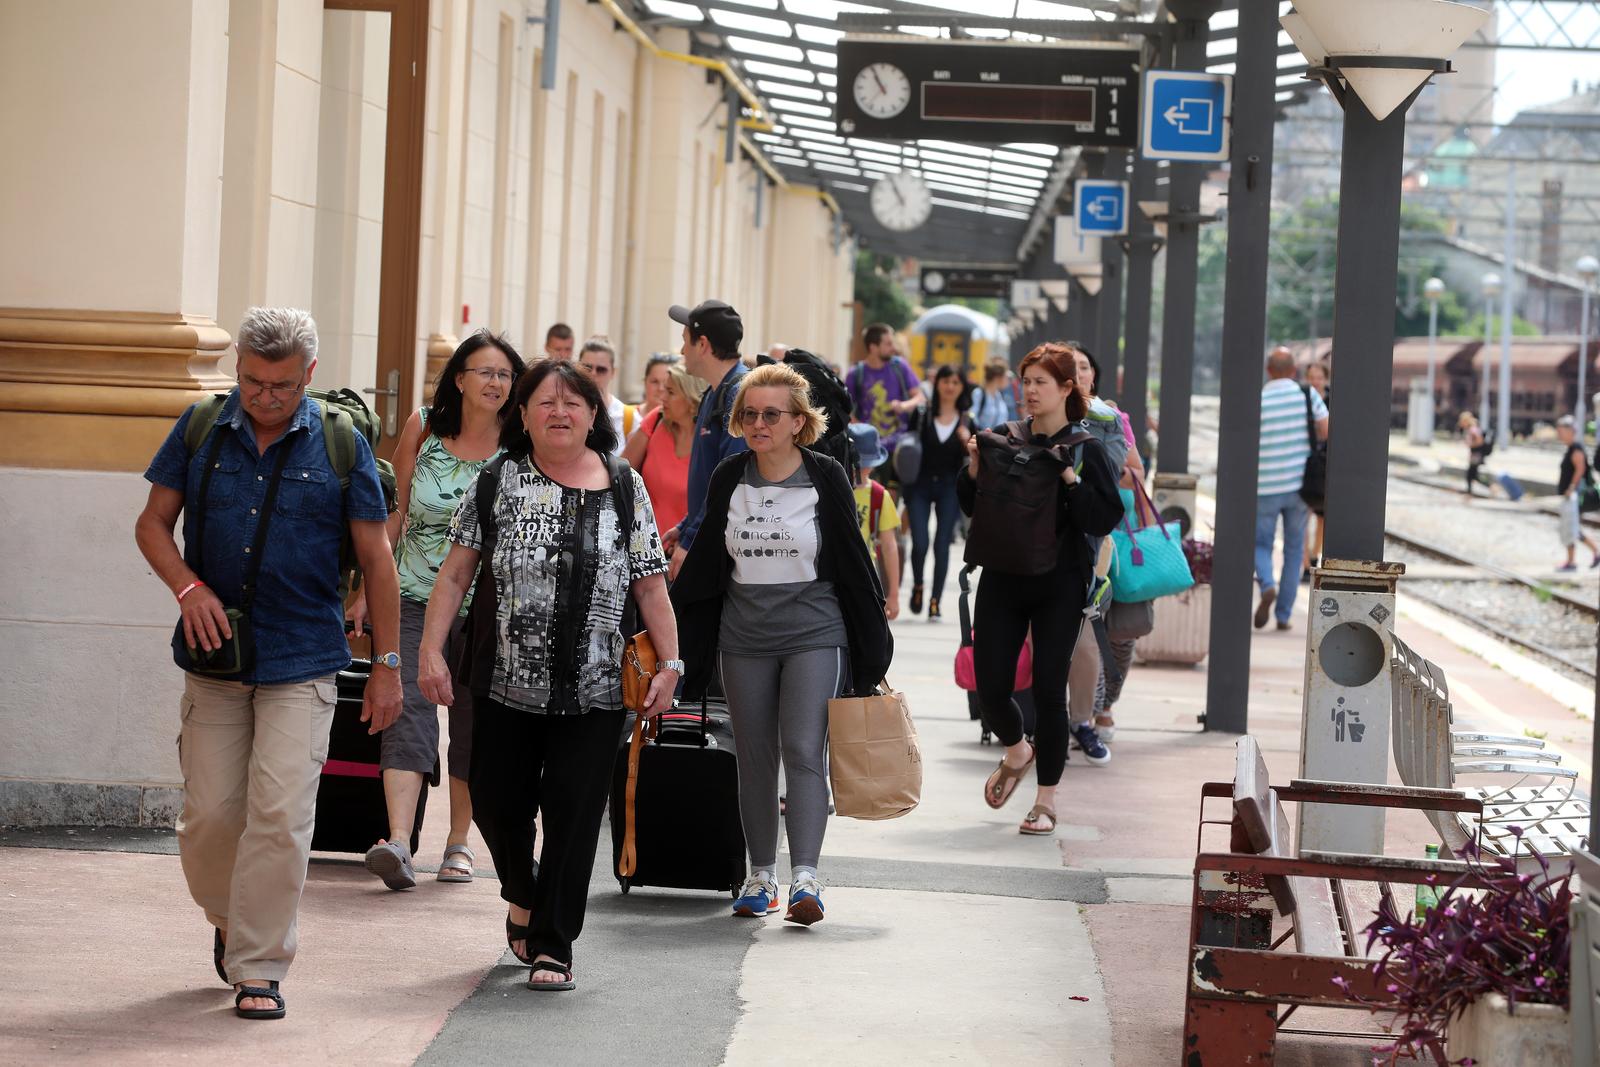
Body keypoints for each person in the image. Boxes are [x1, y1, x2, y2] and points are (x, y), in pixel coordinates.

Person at [135, 307, 401, 1020]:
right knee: (210, 817)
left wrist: (388, 664)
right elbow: (152, 523)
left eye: (282, 385)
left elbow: (377, 559)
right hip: (215, 658)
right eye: (253, 381)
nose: (265, 397)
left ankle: (258, 964)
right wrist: (187, 587)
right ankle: (231, 917)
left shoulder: (339, 443)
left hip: (305, 657)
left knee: (281, 815)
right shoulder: (201, 428)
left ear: (308, 376)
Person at [417, 359, 679, 992]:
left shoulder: (624, 486)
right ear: (524, 415)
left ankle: (553, 945)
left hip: (595, 689)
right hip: (503, 682)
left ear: (594, 414)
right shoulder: (498, 479)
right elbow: (454, 574)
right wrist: (429, 651)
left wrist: (672, 663)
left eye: (573, 403)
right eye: (544, 402)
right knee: (497, 803)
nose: (559, 412)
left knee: (574, 812)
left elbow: (648, 581)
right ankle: (522, 889)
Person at [671, 363, 892, 926]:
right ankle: (761, 875)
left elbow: (851, 558)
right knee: (754, 757)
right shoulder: (729, 476)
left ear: (800, 421)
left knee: (801, 749)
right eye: (749, 413)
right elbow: (709, 561)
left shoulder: (824, 476)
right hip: (743, 636)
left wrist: (872, 633)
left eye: (772, 414)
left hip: (816, 633)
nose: (759, 423)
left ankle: (807, 880)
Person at [348, 329, 525, 891]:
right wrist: (364, 589)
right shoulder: (423, 427)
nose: (496, 383)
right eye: (485, 372)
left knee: (473, 725)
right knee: (404, 708)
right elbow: (392, 515)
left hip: (489, 608)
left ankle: (458, 844)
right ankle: (398, 842)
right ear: (459, 379)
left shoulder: (521, 443)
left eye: (505, 374)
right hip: (412, 595)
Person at [960, 343, 1122, 837]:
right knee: (990, 687)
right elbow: (971, 508)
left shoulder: (1086, 448)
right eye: (1025, 381)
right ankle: (1017, 750)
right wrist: (972, 469)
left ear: (1067, 389)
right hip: (1003, 576)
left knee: (1050, 691)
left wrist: (1070, 478)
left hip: (1060, 581)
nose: (1029, 391)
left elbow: (1103, 517)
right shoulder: (1001, 440)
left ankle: (1046, 801)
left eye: (1040, 383)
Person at [1069, 344, 1141, 755]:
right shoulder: (1039, 418)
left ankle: (1100, 707)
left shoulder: (1111, 418)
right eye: (1068, 368)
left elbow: (1133, 475)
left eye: (1083, 367)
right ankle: (1078, 713)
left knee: (1116, 630)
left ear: (1092, 376)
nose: (1076, 374)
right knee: (1080, 633)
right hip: (1061, 544)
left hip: (1107, 539)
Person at [664, 299, 749, 581]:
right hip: (708, 538)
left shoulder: (738, 396)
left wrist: (690, 541)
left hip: (721, 551)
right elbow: (711, 477)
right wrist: (686, 525)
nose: (681, 351)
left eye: (685, 342)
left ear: (702, 345)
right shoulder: (716, 393)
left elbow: (729, 482)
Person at [1255, 346, 1327, 631]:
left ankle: (1266, 585)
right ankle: (1283, 615)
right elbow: (1325, 429)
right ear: (1294, 371)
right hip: (1299, 486)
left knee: (1260, 543)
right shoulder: (1307, 395)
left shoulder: (1260, 398)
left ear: (1268, 371)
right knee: (1295, 549)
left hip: (1265, 485)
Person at [904, 364, 974, 620]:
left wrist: (968, 441)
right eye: (946, 381)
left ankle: (935, 601)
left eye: (956, 382)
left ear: (962, 387)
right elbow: (907, 448)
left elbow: (976, 459)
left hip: (950, 487)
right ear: (938, 384)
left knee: (942, 543)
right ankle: (919, 585)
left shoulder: (967, 421)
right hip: (919, 485)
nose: (950, 387)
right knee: (920, 542)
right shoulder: (922, 414)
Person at [622, 359, 705, 535]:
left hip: (684, 550)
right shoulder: (656, 419)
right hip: (642, 545)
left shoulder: (708, 439)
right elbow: (620, 473)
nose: (663, 397)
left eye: (671, 392)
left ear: (691, 399)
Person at [847, 422, 901, 620]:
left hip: (866, 577)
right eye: (858, 464)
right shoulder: (831, 487)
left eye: (866, 464)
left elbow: (889, 546)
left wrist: (893, 594)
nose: (862, 469)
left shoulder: (879, 495)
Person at [845, 323, 923, 455]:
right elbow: (845, 410)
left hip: (900, 448)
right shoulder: (856, 373)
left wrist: (903, 406)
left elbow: (920, 398)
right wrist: (860, 429)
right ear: (873, 347)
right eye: (888, 344)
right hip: (868, 449)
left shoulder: (900, 366)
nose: (894, 348)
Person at [576, 335, 637, 454]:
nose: (593, 374)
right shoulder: (565, 412)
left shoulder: (629, 418)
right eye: (587, 368)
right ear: (577, 368)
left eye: (601, 369)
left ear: (613, 372)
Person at [1555, 415, 1600, 571]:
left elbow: (1580, 470)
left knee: (1572, 528)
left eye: (1561, 431)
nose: (1558, 434)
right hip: (1571, 496)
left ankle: (1590, 553)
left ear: (1570, 431)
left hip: (1575, 496)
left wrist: (1571, 488)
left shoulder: (1577, 449)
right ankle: (1575, 558)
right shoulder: (1571, 448)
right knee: (1571, 528)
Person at [1302, 359, 1332, 578]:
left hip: (1326, 462)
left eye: (1319, 378)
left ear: (1325, 379)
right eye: (1311, 377)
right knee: (1302, 513)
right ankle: (1304, 564)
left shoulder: (1333, 400)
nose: (1315, 382)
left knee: (1322, 514)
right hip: (1304, 461)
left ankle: (1314, 554)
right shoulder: (1301, 399)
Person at [970, 358, 1018, 431]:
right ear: (998, 377)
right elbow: (972, 417)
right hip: (981, 439)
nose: (1008, 380)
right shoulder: (979, 394)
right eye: (1006, 376)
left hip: (996, 440)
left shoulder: (998, 396)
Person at [1461, 411, 1490, 497]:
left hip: (1476, 454)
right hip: (1475, 454)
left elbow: (1479, 441)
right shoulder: (1472, 428)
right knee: (1472, 474)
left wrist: (1470, 444)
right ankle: (1469, 491)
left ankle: (1491, 486)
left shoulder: (1473, 429)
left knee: (1471, 474)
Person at [640, 352, 677, 417]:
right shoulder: (626, 417)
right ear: (645, 382)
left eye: (667, 383)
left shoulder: (683, 423)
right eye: (655, 382)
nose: (661, 388)